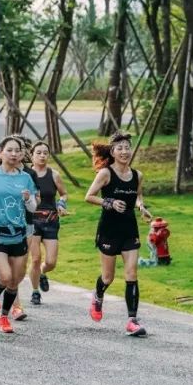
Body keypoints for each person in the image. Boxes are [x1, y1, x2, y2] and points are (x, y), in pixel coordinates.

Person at [85, 131, 152, 337]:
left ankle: (132, 320)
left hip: (129, 228)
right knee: (108, 277)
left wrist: (141, 207)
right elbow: (89, 196)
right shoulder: (106, 173)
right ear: (112, 152)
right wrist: (110, 202)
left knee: (132, 273)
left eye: (127, 148)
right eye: (119, 148)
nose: (124, 152)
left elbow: (138, 195)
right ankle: (98, 295)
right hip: (109, 229)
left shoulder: (137, 175)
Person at [0, 135, 38, 334]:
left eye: (17, 151)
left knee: (15, 279)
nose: (13, 154)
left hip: (18, 233)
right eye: (9, 150)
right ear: (1, 152)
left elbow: (33, 207)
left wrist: (28, 200)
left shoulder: (25, 178)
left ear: (21, 155)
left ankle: (3, 316)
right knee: (5, 275)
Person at [26, 141, 69, 305]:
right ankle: (35, 291)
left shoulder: (54, 174)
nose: (42, 156)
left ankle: (42, 272)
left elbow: (64, 194)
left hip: (51, 221)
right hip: (33, 221)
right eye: (39, 153)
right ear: (32, 155)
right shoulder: (26, 175)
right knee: (35, 259)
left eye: (45, 153)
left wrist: (61, 204)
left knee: (51, 262)